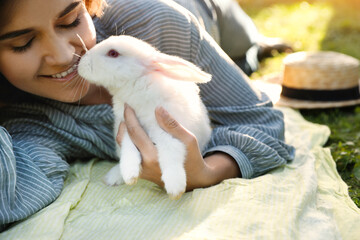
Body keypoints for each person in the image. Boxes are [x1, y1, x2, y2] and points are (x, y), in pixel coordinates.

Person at [0, 0, 295, 230]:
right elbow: (13, 193)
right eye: (21, 43)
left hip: (200, 9)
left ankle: (253, 44)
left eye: (71, 20)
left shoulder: (154, 22)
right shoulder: (23, 117)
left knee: (244, 43)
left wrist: (209, 171)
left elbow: (260, 121)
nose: (64, 56)